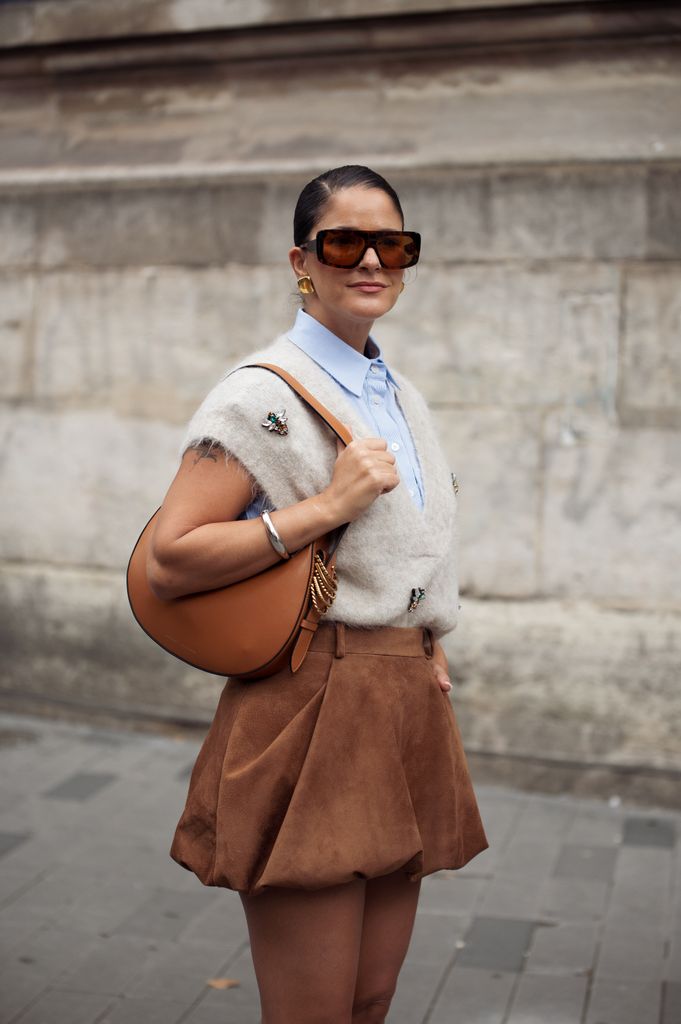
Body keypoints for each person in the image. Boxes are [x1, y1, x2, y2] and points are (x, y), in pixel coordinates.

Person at [148, 165, 488, 1024]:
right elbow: (172, 556)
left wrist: (425, 630)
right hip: (311, 707)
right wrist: (328, 506)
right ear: (302, 259)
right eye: (345, 242)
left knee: (370, 1000)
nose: (371, 260)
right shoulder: (260, 393)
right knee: (313, 1012)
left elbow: (402, 544)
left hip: (402, 703)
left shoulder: (395, 392)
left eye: (393, 244)